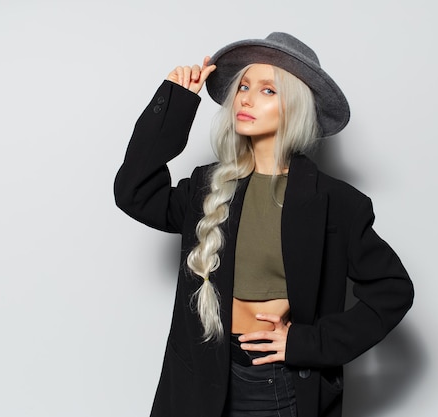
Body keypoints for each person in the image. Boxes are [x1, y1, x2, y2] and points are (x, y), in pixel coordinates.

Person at [114, 32, 414, 417]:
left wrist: (307, 343)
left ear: (294, 107)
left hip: (274, 383)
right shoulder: (208, 188)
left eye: (268, 90)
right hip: (200, 381)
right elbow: (134, 193)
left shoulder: (335, 202)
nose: (246, 98)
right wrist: (174, 103)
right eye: (243, 86)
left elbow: (392, 290)